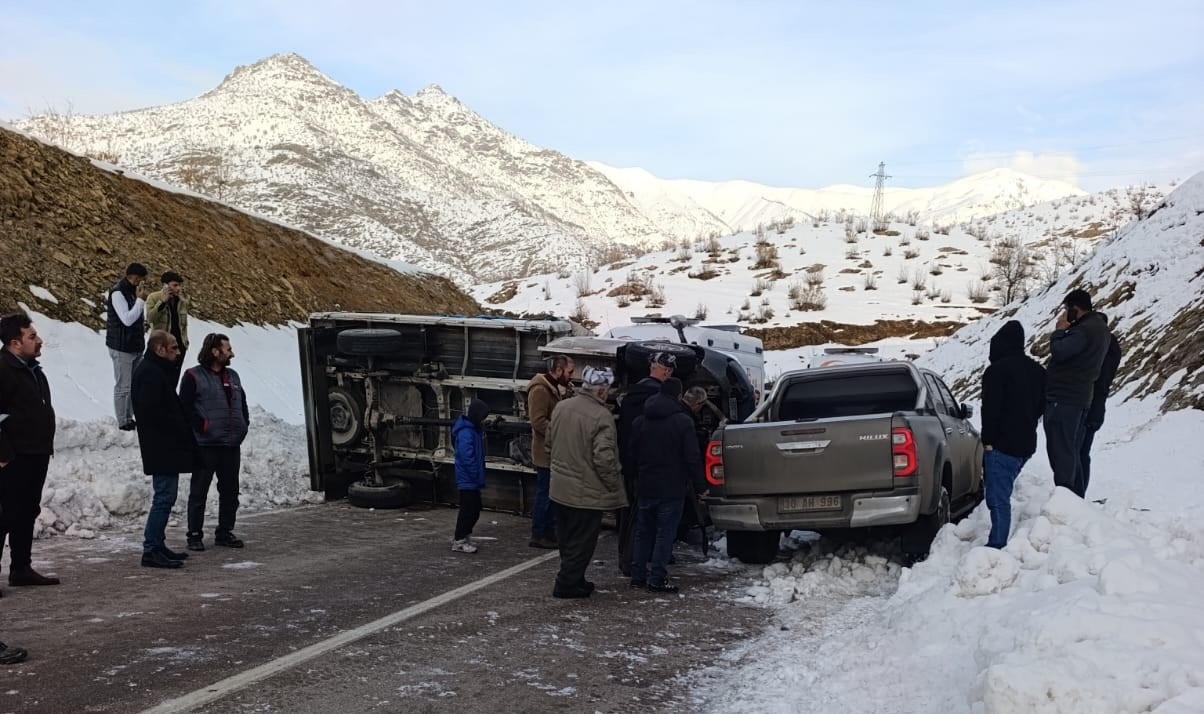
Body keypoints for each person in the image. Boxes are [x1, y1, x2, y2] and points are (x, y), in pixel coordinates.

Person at [548, 366, 626, 599]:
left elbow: (549, 441)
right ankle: (566, 584)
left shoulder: (561, 407)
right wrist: (613, 485)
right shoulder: (601, 416)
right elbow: (604, 457)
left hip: (560, 486)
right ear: (601, 390)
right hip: (586, 491)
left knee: (567, 538)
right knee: (583, 542)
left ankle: (576, 578)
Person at [0, 313, 60, 588]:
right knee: (5, 514)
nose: (39, 341)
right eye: (32, 337)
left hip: (36, 452)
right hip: (14, 456)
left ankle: (21, 568)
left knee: (27, 511)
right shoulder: (3, 369)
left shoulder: (33, 369)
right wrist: (3, 453)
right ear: (15, 343)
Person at [629, 378, 704, 593]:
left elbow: (631, 454)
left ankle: (637, 575)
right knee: (665, 534)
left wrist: (634, 479)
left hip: (646, 485)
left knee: (643, 532)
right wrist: (700, 486)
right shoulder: (683, 422)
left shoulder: (640, 421)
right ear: (679, 396)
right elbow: (692, 457)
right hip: (672, 488)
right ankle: (657, 578)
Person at [132, 331, 196, 569]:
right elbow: (153, 413)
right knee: (164, 497)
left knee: (166, 497)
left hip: (164, 446)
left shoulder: (154, 370)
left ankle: (157, 544)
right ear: (159, 349)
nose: (178, 353)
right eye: (173, 349)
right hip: (162, 447)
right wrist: (175, 429)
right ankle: (151, 548)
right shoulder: (150, 373)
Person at [180, 333, 249, 551]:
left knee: (230, 492)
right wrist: (202, 427)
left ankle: (225, 531)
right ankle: (194, 534)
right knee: (199, 491)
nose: (232, 354)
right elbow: (185, 407)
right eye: (228, 350)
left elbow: (242, 404)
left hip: (231, 444)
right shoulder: (193, 376)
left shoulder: (234, 377)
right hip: (206, 445)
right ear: (215, 352)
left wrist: (244, 424)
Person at [980, 321, 1046, 549]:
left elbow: (990, 410)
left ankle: (996, 546)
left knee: (997, 500)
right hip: (1026, 443)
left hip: (1001, 445)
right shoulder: (1038, 371)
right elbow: (1041, 406)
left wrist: (988, 441)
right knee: (1002, 493)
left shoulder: (996, 372)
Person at [1044, 289, 1111, 497]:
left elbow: (1060, 351)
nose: (1064, 314)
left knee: (1061, 451)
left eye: (1067, 310)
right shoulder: (1100, 329)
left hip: (1065, 398)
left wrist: (1059, 331)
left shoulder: (1084, 330)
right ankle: (1076, 499)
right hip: (1080, 398)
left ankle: (1065, 498)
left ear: (1075, 309)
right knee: (1073, 451)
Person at [615, 351, 675, 574]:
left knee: (630, 514)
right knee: (640, 518)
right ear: (665, 371)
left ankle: (630, 559)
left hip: (630, 463)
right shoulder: (656, 398)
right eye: (668, 370)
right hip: (647, 466)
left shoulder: (633, 393)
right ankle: (632, 561)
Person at [526, 354, 574, 549]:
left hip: (553, 450)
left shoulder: (554, 388)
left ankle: (548, 531)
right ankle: (539, 533)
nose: (571, 376)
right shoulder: (540, 390)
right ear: (559, 370)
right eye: (569, 371)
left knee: (551, 493)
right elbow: (538, 421)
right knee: (545, 492)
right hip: (545, 452)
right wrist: (559, 434)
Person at [1079, 322, 1121, 498]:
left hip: (1088, 403)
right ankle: (1078, 493)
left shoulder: (1099, 346)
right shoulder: (1112, 346)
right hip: (1097, 405)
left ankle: (1075, 495)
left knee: (1078, 452)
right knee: (1083, 452)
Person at [107, 262, 149, 430]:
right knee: (124, 385)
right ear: (134, 277)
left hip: (135, 346)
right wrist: (140, 301)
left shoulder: (132, 292)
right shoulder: (118, 293)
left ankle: (130, 416)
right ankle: (123, 420)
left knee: (134, 383)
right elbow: (127, 319)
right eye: (141, 279)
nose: (142, 283)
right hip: (121, 346)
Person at [451, 399, 490, 553]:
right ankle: (459, 539)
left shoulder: (471, 430)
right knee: (469, 510)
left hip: (469, 479)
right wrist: (476, 475)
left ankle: (463, 535)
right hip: (468, 479)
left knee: (472, 509)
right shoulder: (468, 433)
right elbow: (467, 458)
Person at [144, 271, 190, 383]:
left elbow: (183, 325)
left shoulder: (182, 300)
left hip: (179, 347)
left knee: (173, 380)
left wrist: (185, 344)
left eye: (179, 285)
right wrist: (162, 302)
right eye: (175, 285)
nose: (178, 288)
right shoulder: (154, 297)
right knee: (157, 380)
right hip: (161, 348)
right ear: (165, 285)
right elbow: (150, 318)